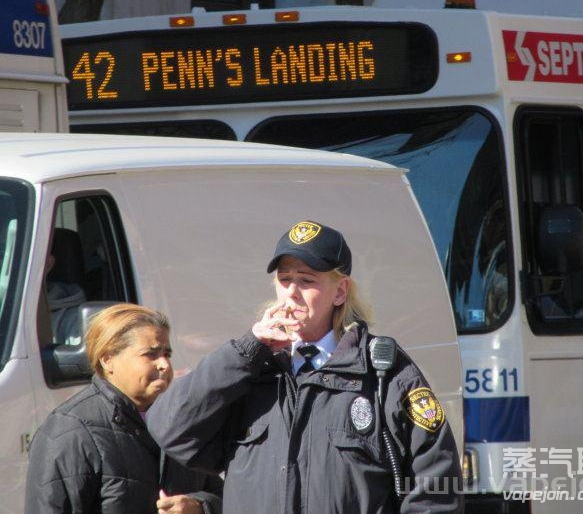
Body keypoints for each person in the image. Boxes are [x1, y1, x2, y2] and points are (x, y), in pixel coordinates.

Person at [147, 220, 463, 513]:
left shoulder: (382, 371)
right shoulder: (250, 367)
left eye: (307, 280)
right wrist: (247, 348)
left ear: (340, 292)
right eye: (284, 279)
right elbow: (170, 429)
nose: (292, 293)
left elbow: (438, 486)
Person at [25, 303, 223, 514]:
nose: (164, 365)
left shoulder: (180, 422)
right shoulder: (70, 431)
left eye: (167, 354)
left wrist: (199, 506)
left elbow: (226, 497)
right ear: (107, 360)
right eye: (150, 354)